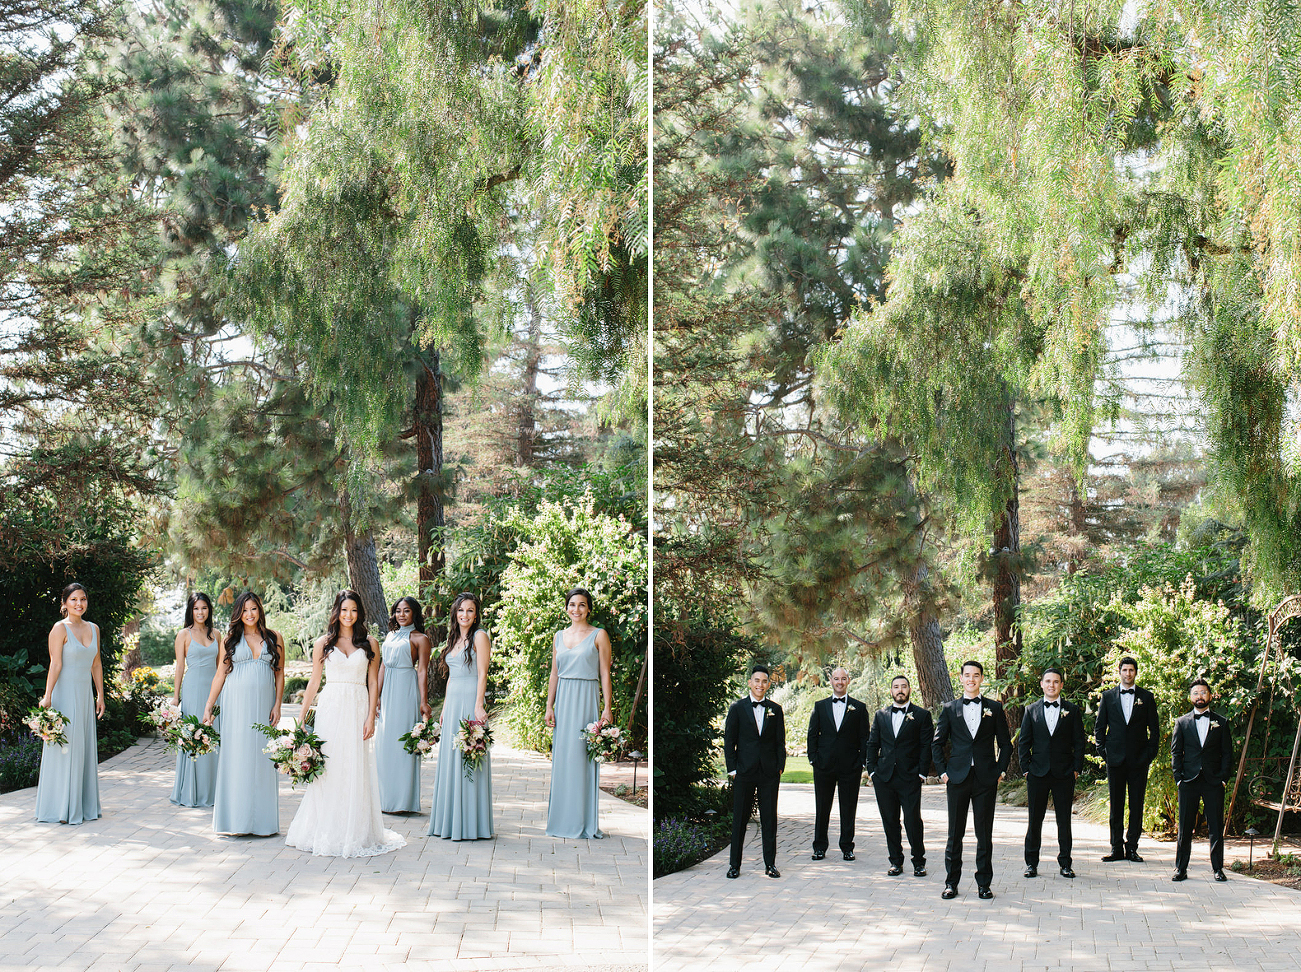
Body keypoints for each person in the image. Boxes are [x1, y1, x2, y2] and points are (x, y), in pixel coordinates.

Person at [286, 590, 405, 857]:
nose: (348, 615)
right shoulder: (323, 644)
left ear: (359, 613)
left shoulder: (370, 643)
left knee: (354, 766)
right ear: (336, 613)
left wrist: (371, 715)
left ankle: (356, 829)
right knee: (330, 765)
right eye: (344, 610)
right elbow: (314, 682)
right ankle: (326, 827)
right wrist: (301, 717)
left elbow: (373, 681)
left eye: (353, 610)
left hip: (357, 706)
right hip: (331, 706)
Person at [203, 591, 285, 837]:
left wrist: (278, 703)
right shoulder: (230, 638)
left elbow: (279, 673)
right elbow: (220, 674)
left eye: (254, 609)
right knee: (237, 757)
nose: (249, 615)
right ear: (238, 613)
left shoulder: (274, 637)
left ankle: (262, 822)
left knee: (262, 758)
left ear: (260, 610)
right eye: (244, 610)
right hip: (236, 704)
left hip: (263, 706)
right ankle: (235, 821)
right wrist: (209, 705)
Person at [932, 659, 1011, 900]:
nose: (971, 679)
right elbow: (937, 743)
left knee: (984, 833)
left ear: (981, 679)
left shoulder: (994, 709)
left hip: (986, 778)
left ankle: (984, 884)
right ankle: (951, 883)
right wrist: (943, 772)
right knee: (954, 833)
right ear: (961, 678)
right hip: (957, 777)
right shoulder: (949, 708)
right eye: (967, 675)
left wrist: (1000, 771)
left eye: (976, 675)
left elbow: (1006, 745)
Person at [545, 587, 614, 839]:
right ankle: (562, 821)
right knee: (564, 760)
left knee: (582, 759)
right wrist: (549, 706)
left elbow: (605, 673)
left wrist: (607, 708)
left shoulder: (599, 635)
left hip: (586, 699)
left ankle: (583, 821)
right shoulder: (558, 636)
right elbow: (554, 673)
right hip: (563, 700)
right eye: (572, 604)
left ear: (589, 608)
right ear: (566, 608)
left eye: (582, 605)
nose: (576, 609)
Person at [35, 583, 104, 825]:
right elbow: (55, 664)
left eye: (83, 599)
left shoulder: (94, 628)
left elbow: (96, 664)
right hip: (64, 695)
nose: (79, 603)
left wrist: (100, 695)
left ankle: (82, 806)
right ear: (64, 603)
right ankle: (61, 807)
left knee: (82, 747)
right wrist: (48, 695)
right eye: (73, 599)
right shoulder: (59, 629)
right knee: (65, 748)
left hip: (84, 696)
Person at [428, 592, 494, 840]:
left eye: (470, 610)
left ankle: (470, 823)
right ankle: (449, 820)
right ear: (455, 613)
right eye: (460, 610)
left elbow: (482, 673)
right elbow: (451, 678)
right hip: (453, 702)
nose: (464, 614)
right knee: (450, 759)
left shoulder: (480, 636)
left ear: (476, 614)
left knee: (469, 757)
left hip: (469, 700)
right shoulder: (454, 637)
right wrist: (444, 708)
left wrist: (478, 705)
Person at [1018, 667, 1086, 879]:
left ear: (1061, 685)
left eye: (1056, 682)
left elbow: (1079, 742)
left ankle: (1065, 863)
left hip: (1064, 773)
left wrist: (1075, 769)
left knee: (1064, 820)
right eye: (1048, 681)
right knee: (1034, 820)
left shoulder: (1072, 710)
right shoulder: (1031, 710)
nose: (1051, 685)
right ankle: (1031, 863)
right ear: (1041, 684)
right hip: (1037, 773)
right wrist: (1026, 769)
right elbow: (1024, 742)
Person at [1095, 655, 1160, 862]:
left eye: (1131, 670)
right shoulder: (1108, 697)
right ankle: (1116, 847)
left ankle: (1132, 847)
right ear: (1119, 672)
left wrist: (1148, 755)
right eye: (1125, 670)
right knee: (1116, 805)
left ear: (1136, 672)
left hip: (1138, 760)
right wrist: (1104, 751)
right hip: (1114, 760)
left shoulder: (1146, 697)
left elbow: (1154, 730)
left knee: (1136, 805)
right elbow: (1099, 728)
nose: (1128, 673)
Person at [866, 674, 933, 876]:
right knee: (890, 821)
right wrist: (872, 771)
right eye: (896, 687)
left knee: (913, 820)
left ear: (909, 690)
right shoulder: (881, 715)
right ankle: (895, 861)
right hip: (884, 778)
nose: (900, 690)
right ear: (891, 691)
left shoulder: (921, 715)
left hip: (910, 777)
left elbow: (926, 746)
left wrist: (921, 773)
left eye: (904, 686)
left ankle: (919, 861)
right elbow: (872, 744)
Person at [724, 664, 786, 879]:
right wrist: (733, 769)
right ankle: (734, 865)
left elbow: (780, 742)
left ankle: (770, 865)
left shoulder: (775, 710)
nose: (760, 684)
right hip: (744, 771)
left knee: (769, 819)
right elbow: (729, 740)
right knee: (739, 819)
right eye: (757, 680)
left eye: (764, 681)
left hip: (769, 773)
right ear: (750, 682)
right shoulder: (737, 708)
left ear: (768, 684)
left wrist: (779, 767)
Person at [1171, 678, 1232, 882]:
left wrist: (1223, 778)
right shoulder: (1182, 722)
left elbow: (1227, 753)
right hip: (1188, 781)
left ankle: (1218, 869)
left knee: (1215, 826)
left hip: (1213, 781)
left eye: (1203, 692)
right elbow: (1176, 753)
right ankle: (1181, 868)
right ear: (1190, 697)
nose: (1200, 696)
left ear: (1210, 696)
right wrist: (1178, 778)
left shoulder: (1221, 723)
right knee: (1185, 827)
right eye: (1196, 693)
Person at [376, 596, 432, 813]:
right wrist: (377, 696)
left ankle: (403, 802)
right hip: (388, 690)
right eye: (398, 610)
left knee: (402, 745)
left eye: (406, 611)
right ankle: (384, 799)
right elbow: (382, 666)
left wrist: (424, 701)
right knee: (384, 744)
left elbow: (423, 671)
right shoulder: (390, 635)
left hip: (406, 690)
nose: (401, 614)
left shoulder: (420, 638)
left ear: (414, 613)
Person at [806, 667, 868, 861]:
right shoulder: (820, 706)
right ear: (830, 681)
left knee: (848, 808)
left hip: (850, 766)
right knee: (822, 807)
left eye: (843, 679)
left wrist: (861, 761)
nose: (839, 682)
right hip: (823, 765)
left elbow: (865, 738)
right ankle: (819, 847)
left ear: (848, 681)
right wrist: (813, 758)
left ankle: (847, 847)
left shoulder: (859, 707)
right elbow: (812, 735)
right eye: (836, 679)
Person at [170, 592, 221, 808]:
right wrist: (175, 696)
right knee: (193, 736)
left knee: (214, 736)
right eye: (196, 608)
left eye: (204, 608)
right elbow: (180, 667)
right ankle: (191, 791)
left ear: (209, 610)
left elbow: (222, 667)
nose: (200, 612)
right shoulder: (183, 634)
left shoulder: (217, 634)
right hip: (193, 690)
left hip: (214, 690)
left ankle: (214, 791)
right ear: (191, 611)